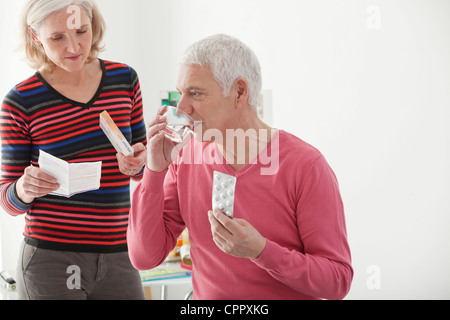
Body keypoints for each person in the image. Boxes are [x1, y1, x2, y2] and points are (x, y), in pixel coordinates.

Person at [127, 34, 353, 300]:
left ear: (239, 92)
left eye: (195, 93)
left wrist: (262, 252)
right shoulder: (186, 157)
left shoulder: (306, 166)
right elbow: (144, 257)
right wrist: (154, 171)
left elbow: (337, 282)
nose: (181, 108)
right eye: (180, 93)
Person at [0, 0, 147, 300]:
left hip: (120, 252)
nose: (74, 46)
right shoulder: (20, 102)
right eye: (57, 37)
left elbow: (141, 158)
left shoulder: (125, 80)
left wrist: (139, 163)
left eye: (81, 31)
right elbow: (9, 202)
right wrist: (25, 189)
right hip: (51, 260)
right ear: (35, 37)